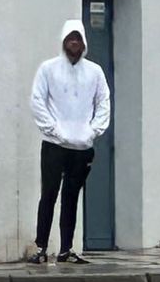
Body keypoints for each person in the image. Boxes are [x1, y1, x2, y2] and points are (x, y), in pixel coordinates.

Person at [29, 18, 110, 264]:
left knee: (71, 197)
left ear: (83, 42)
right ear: (64, 42)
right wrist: (53, 130)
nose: (73, 43)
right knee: (49, 195)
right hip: (54, 145)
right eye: (69, 39)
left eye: (78, 39)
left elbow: (103, 102)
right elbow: (37, 101)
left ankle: (66, 248)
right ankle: (41, 247)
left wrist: (93, 131)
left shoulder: (94, 71)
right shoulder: (48, 69)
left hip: (82, 147)